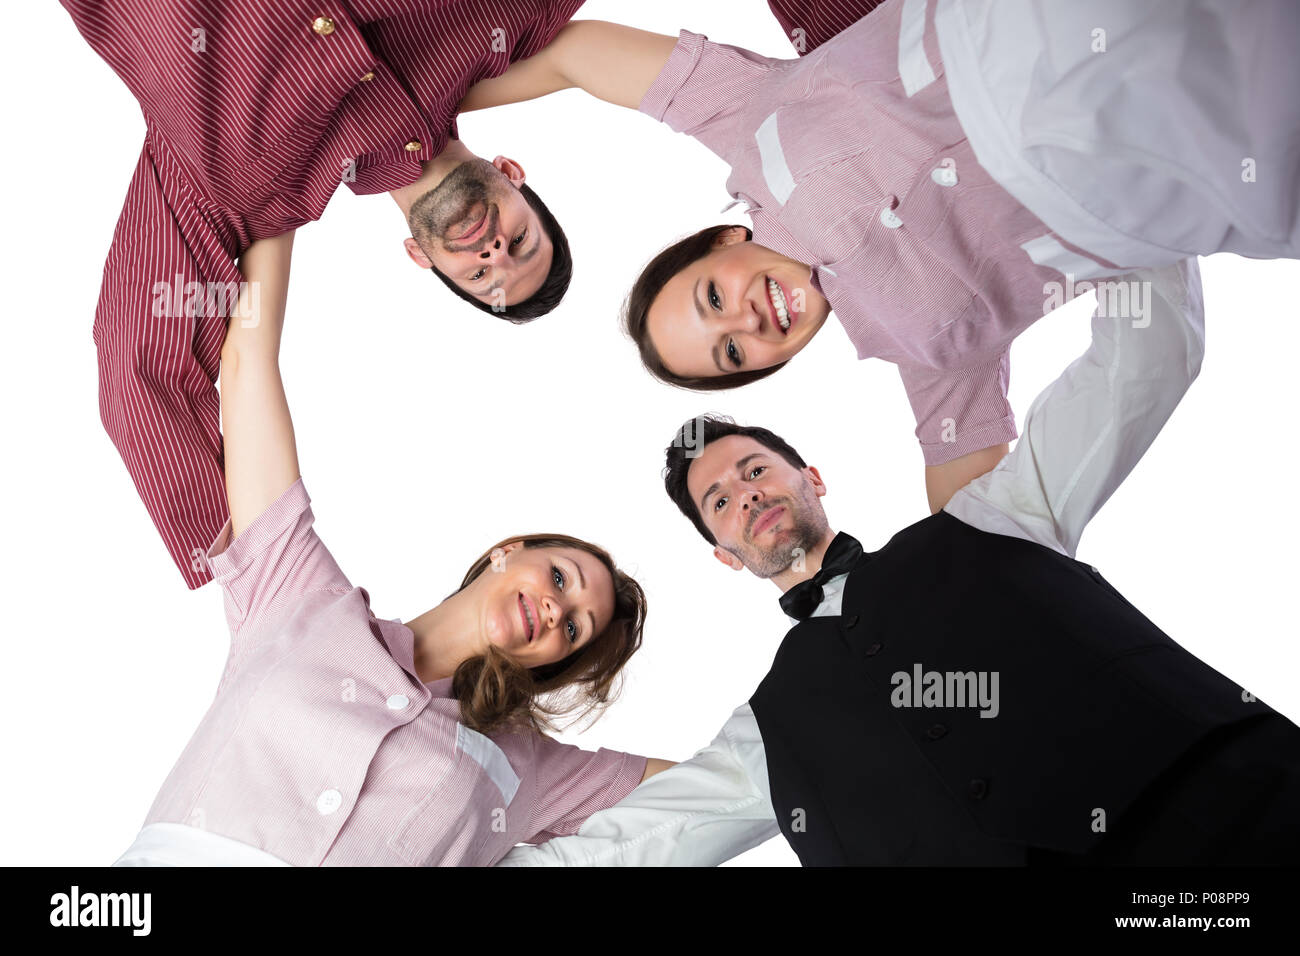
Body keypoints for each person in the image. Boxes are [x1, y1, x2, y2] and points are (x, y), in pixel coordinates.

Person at [497, 258, 1300, 866]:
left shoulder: (996, 515)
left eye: (753, 470)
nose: (745, 495)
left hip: (1246, 824)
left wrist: (1105, 197)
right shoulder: (762, 739)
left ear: (810, 479)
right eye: (720, 501)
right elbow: (613, 852)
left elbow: (1143, 358)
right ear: (725, 554)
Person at [460, 0, 1300, 512]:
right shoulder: (926, 355)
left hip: (1023, 33)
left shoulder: (740, 124)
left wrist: (427, 146)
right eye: (732, 356)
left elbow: (575, 56)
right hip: (1169, 171)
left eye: (713, 299)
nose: (748, 321)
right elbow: (969, 513)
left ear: (721, 241)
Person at [112, 231, 673, 866]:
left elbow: (714, 792)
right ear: (508, 552)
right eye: (562, 580)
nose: (554, 611)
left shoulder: (527, 769)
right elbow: (246, 367)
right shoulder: (298, 596)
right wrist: (287, 193)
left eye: (574, 629)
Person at [59, 0, 584, 589]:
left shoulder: (245, 192)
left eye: (481, 278)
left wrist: (260, 582)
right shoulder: (495, 26)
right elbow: (597, 61)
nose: (493, 255)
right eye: (520, 241)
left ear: (421, 257)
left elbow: (141, 362)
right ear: (511, 171)